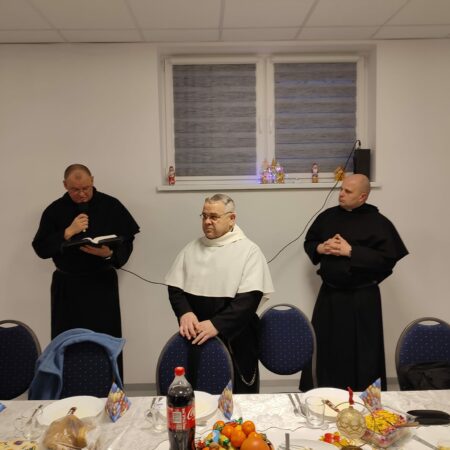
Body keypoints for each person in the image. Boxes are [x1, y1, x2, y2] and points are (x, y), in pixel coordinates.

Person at [300, 174, 408, 392]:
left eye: (348, 191)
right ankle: (323, 395)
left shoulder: (379, 223)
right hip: (330, 296)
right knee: (326, 349)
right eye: (341, 189)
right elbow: (310, 241)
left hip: (362, 298)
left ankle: (362, 399)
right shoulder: (327, 217)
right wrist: (322, 247)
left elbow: (387, 259)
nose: (341, 194)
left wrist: (351, 251)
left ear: (362, 197)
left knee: (363, 353)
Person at [32, 164, 139, 377]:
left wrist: (108, 254)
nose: (82, 194)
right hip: (67, 287)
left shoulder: (111, 205)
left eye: (86, 188)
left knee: (106, 341)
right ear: (65, 185)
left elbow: (127, 239)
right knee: (67, 342)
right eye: (75, 190)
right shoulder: (54, 210)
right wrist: (67, 232)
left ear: (92, 181)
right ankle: (67, 389)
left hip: (101, 285)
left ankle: (110, 389)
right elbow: (41, 248)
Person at [165, 194, 274, 393]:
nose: (207, 221)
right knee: (200, 391)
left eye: (214, 217)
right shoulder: (191, 249)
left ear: (232, 218)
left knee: (238, 396)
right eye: (204, 216)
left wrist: (217, 324)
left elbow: (248, 300)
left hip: (237, 337)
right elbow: (175, 288)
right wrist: (185, 313)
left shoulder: (249, 251)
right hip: (197, 334)